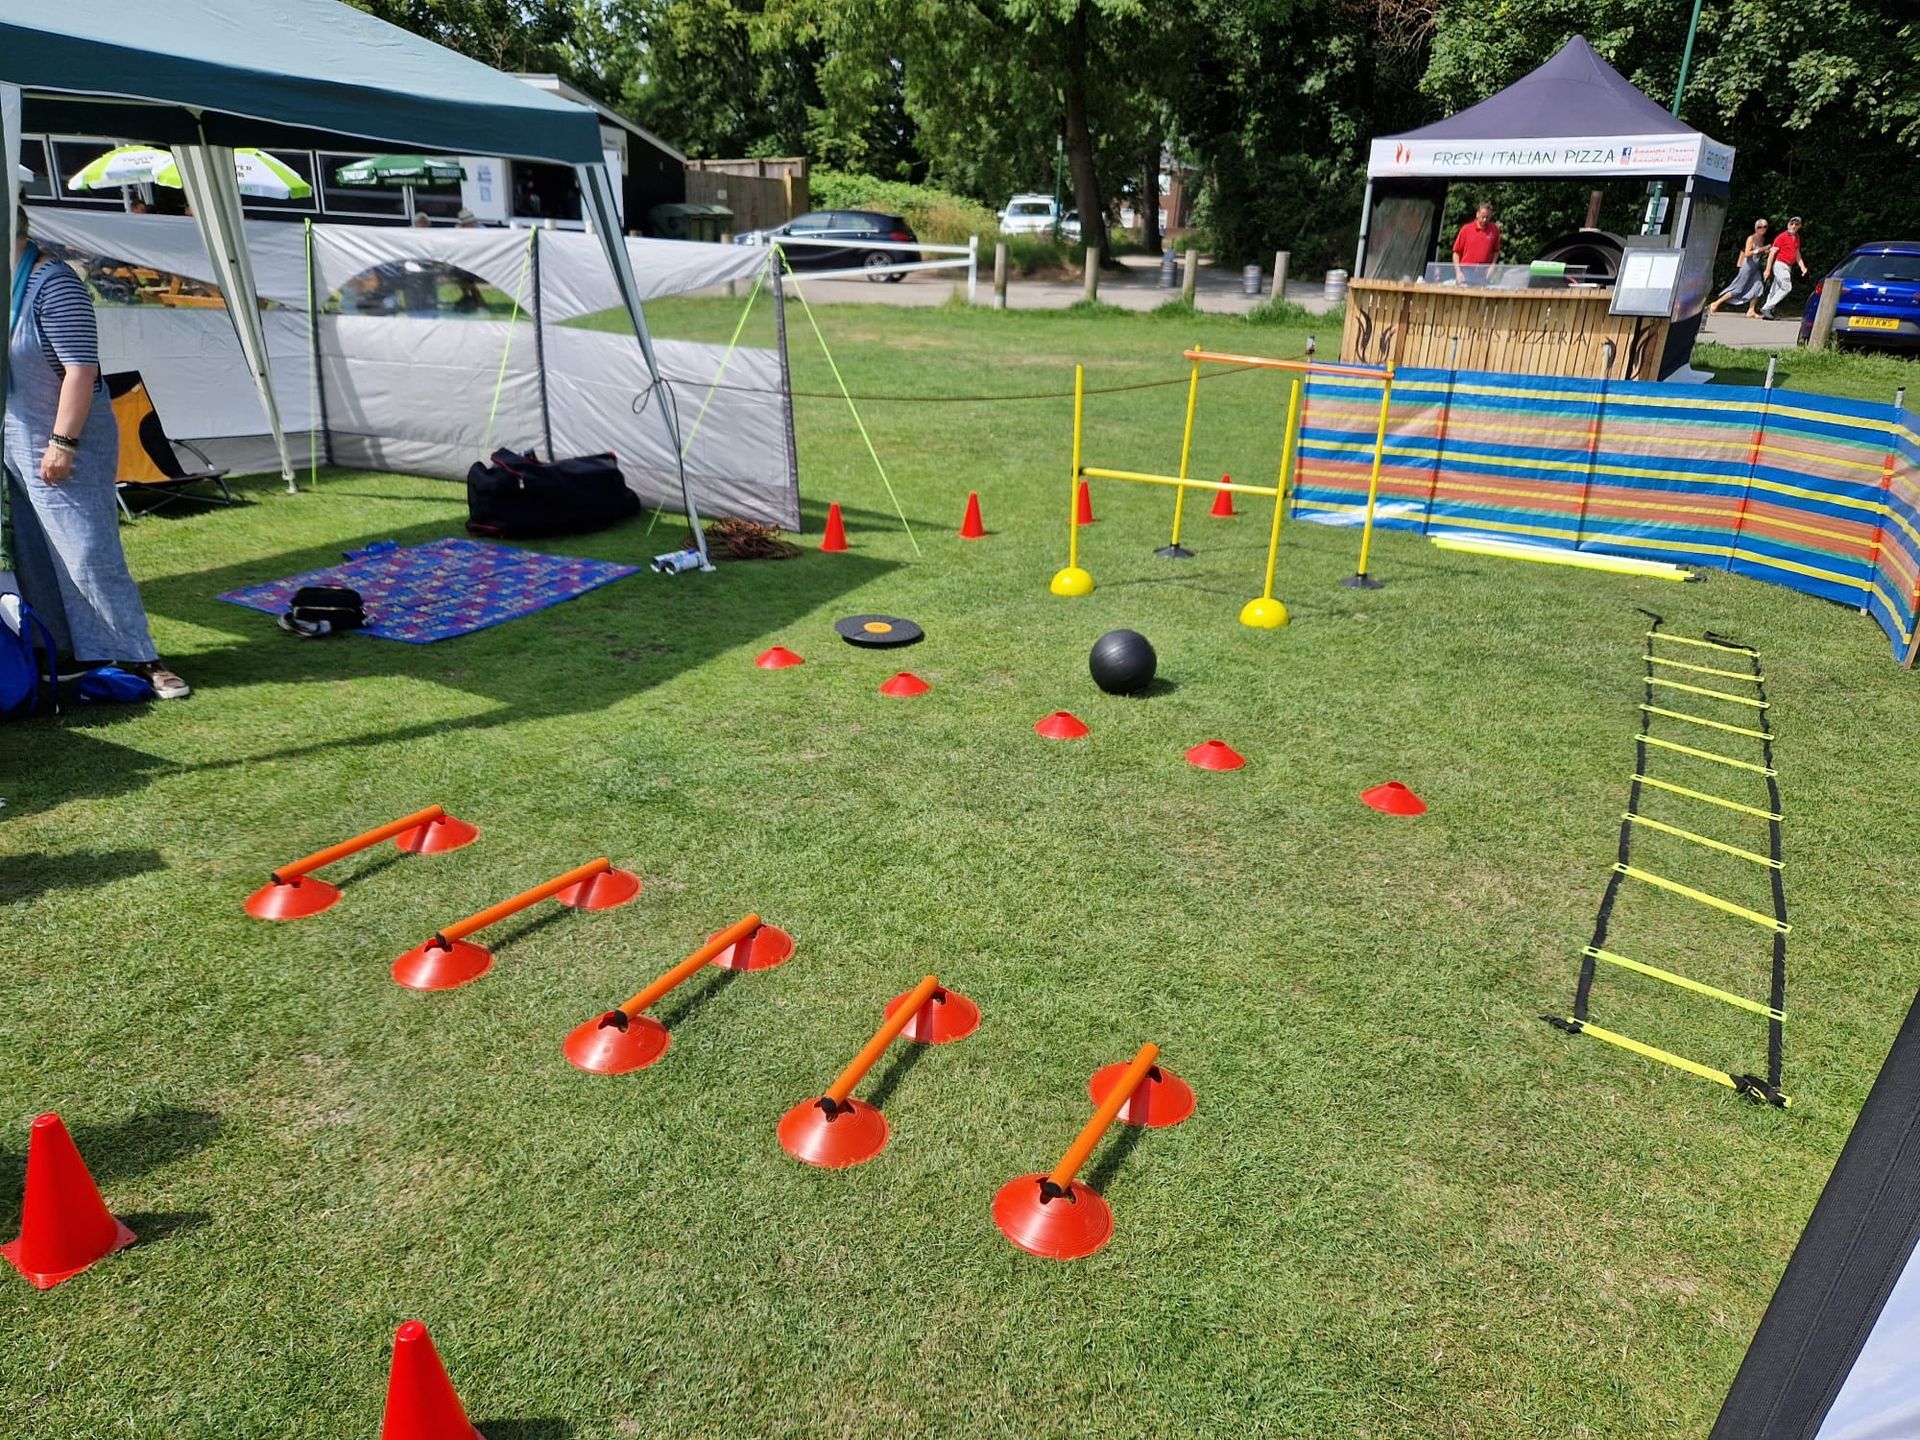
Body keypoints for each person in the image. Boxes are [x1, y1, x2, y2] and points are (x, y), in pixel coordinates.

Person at [6, 208, 188, 698]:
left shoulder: (54, 283)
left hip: (66, 433)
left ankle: (141, 657)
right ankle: (65, 652)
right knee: (35, 551)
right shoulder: (8, 285)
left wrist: (62, 443)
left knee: (88, 552)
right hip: (17, 434)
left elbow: (80, 371)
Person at [1708, 219, 1773, 316]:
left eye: (1764, 227)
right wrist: (1762, 249)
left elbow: (1758, 253)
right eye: (1759, 227)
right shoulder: (1751, 238)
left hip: (1755, 267)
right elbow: (1747, 253)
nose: (1762, 229)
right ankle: (1715, 304)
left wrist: (1765, 251)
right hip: (1747, 267)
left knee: (1758, 286)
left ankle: (1751, 310)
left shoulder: (1762, 239)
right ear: (1756, 228)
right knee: (1738, 288)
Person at [1761, 216, 1808, 320]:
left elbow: (1797, 253)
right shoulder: (1781, 237)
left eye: (1796, 224)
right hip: (1780, 265)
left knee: (1775, 289)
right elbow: (1772, 253)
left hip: (1788, 266)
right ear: (1788, 225)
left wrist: (1802, 267)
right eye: (1792, 224)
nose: (1794, 226)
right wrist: (1767, 269)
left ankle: (1768, 311)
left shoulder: (1797, 238)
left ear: (1799, 226)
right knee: (1786, 287)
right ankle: (1766, 308)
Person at [1451, 202, 1502, 283]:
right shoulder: (1466, 229)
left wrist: (1492, 266)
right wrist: (1458, 272)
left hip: (1484, 272)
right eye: (1483, 217)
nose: (1485, 220)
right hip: (1466, 271)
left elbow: (1496, 251)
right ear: (1477, 214)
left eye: (1487, 217)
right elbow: (1456, 253)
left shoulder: (1494, 229)